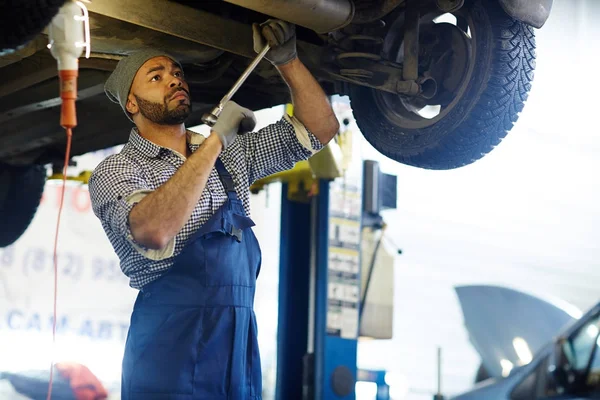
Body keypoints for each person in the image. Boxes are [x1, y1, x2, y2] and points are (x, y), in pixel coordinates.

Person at [88, 18, 339, 400]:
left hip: (236, 351)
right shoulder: (119, 170)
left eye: (176, 73)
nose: (174, 80)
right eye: (156, 77)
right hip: (168, 355)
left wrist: (287, 60)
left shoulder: (231, 155)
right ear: (132, 103)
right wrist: (215, 140)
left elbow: (319, 128)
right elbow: (153, 229)